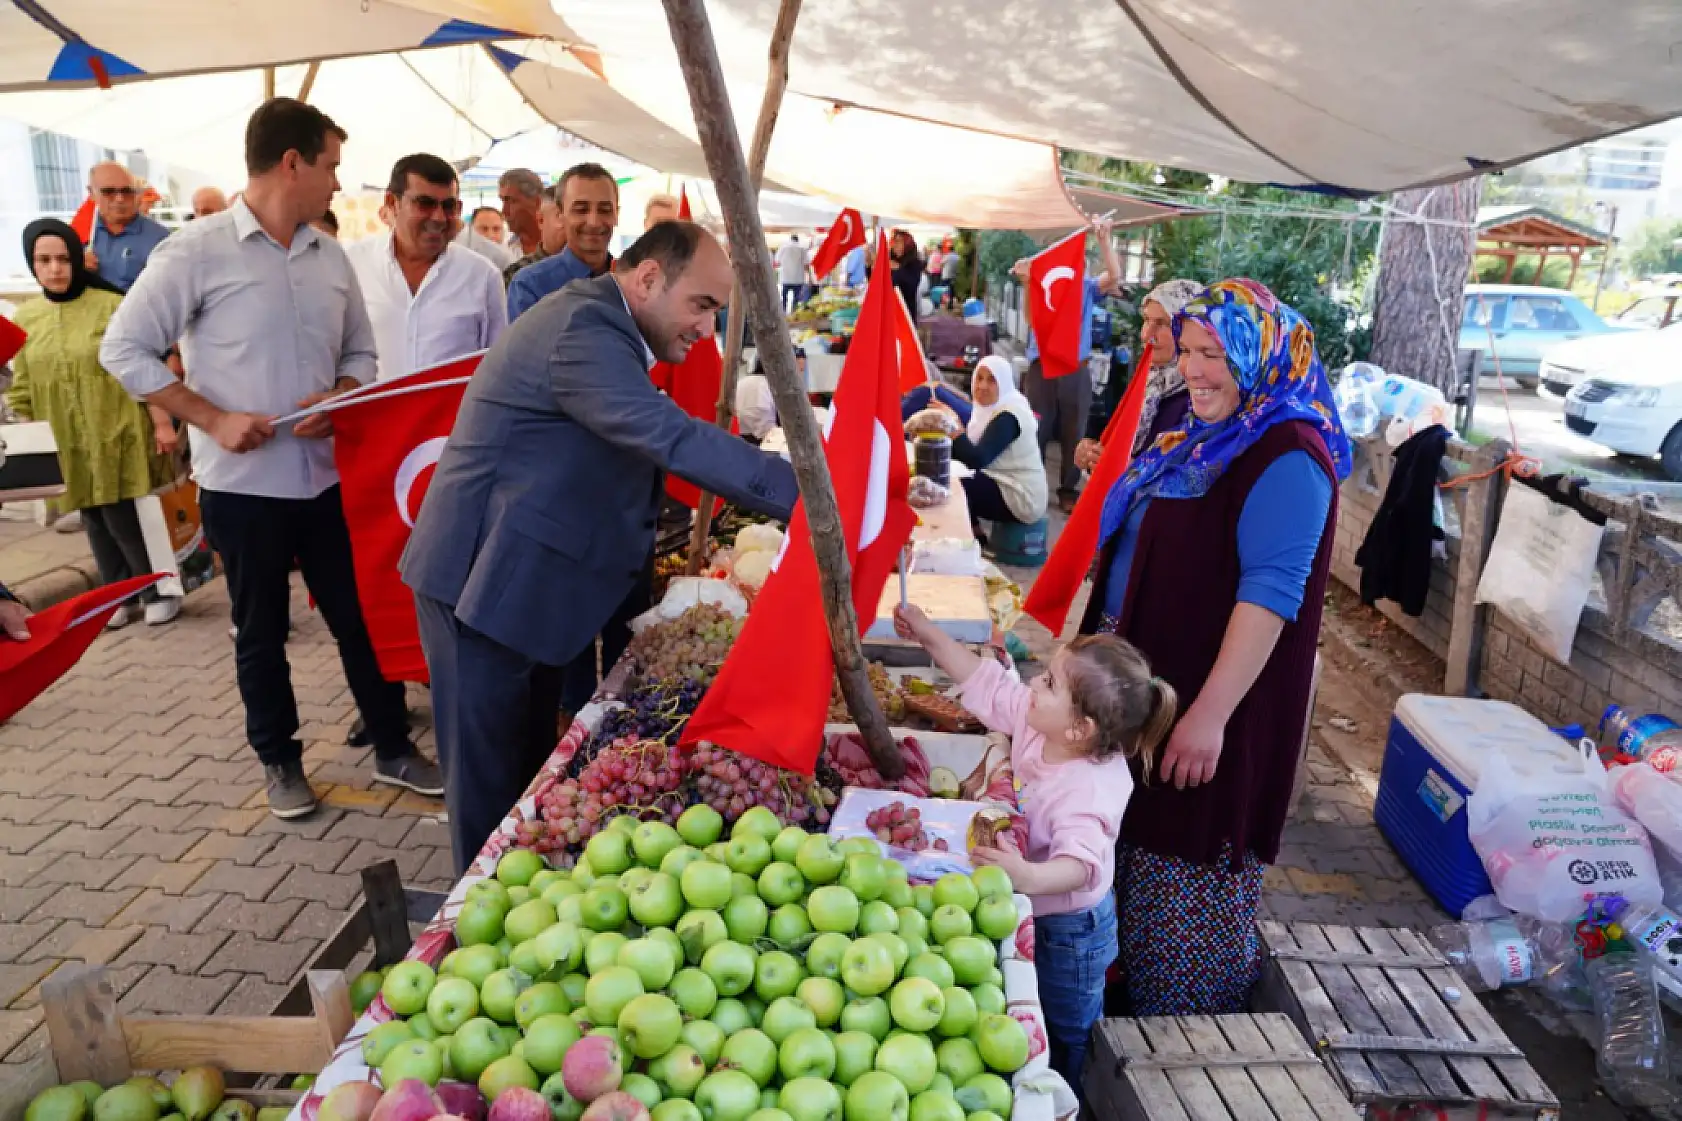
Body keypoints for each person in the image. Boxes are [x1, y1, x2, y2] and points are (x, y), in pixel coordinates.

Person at [401, 220, 800, 872]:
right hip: (480, 581)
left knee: (528, 779)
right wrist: (811, 491)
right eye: (701, 305)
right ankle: (473, 911)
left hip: (521, 583)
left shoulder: (605, 324)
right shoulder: (582, 330)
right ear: (648, 278)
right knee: (488, 789)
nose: (707, 329)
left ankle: (518, 888)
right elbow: (671, 437)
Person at [101, 97, 444, 819]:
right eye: (331, 166)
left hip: (326, 481)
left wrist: (342, 396)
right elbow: (123, 349)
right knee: (260, 632)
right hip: (243, 486)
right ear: (292, 163)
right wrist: (211, 417)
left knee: (359, 618)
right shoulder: (195, 251)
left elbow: (361, 353)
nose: (337, 182)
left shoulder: (331, 257)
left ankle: (391, 745)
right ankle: (280, 762)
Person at [1081, 279, 1350, 1016]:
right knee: (1132, 860)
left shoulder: (1287, 453)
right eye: (1190, 349)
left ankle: (1187, 1042)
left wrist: (1208, 716)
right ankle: (1124, 1031)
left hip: (1208, 705)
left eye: (1216, 354)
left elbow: (1270, 595)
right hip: (1151, 690)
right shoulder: (1206, 433)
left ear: (1263, 355)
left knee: (1184, 871)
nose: (1194, 368)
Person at [892, 600, 1175, 1099]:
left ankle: (1072, 1094)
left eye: (1048, 682)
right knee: (1030, 998)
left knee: (1068, 1022)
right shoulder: (1037, 721)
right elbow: (985, 682)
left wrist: (1028, 876)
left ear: (1079, 729)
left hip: (1071, 928)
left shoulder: (1089, 788)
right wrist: (925, 631)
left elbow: (1080, 866)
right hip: (1034, 905)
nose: (1033, 684)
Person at [9, 219, 180, 628]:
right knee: (92, 516)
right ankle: (118, 595)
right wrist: (26, 432)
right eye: (44, 260)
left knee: (123, 513)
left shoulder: (111, 306)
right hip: (65, 438)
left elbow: (144, 366)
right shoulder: (27, 318)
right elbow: (22, 383)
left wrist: (162, 422)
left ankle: (157, 590)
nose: (54, 269)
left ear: (77, 259)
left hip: (117, 429)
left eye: (63, 259)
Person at [347, 153, 507, 383]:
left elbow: (496, 370)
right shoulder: (354, 265)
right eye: (425, 204)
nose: (439, 217)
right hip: (371, 407)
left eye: (449, 206)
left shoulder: (482, 276)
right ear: (392, 203)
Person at [1016, 217, 1122, 511]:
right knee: (1036, 428)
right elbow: (1032, 319)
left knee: (1074, 431)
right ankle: (1033, 487)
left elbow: (1114, 275)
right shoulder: (1040, 284)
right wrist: (1027, 283)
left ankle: (1068, 490)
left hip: (1076, 366)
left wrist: (1104, 240)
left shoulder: (1085, 287)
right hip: (1042, 366)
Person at [1074, 278, 1203, 472]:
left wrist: (1135, 472)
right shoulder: (1145, 379)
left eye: (1162, 323)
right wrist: (1088, 449)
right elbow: (1104, 431)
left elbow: (1193, 474)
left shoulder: (1202, 400)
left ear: (1191, 331)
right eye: (1146, 320)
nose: (1147, 335)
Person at [507, 163, 619, 321]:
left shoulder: (632, 282)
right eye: (581, 210)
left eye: (604, 210)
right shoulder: (531, 285)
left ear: (616, 214)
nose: (594, 222)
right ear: (560, 214)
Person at [950, 355, 1047, 532]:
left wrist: (954, 429)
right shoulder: (989, 410)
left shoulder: (1009, 416)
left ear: (1004, 383)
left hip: (1022, 496)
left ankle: (969, 536)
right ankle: (975, 532)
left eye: (992, 380)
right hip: (1004, 480)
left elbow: (977, 459)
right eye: (979, 378)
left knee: (950, 482)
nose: (982, 386)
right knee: (948, 467)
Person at [85, 162, 170, 293]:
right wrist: (75, 269)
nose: (120, 199)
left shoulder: (160, 239)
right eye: (109, 191)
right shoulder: (79, 234)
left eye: (127, 191)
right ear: (92, 193)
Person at [503, 184, 567, 286]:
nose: (571, 224)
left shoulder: (593, 271)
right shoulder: (517, 275)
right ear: (541, 220)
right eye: (561, 217)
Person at [498, 168, 545, 257]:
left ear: (537, 202)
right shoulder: (504, 249)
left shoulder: (561, 247)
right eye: (503, 201)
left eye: (512, 201)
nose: (504, 211)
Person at [889, 230, 923, 322]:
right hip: (890, 311)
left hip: (905, 311)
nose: (895, 244)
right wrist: (869, 267)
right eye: (894, 241)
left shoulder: (914, 263)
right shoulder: (890, 259)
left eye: (899, 241)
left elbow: (911, 286)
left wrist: (898, 269)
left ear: (907, 244)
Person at [776, 234, 810, 312]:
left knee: (784, 297)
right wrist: (809, 276)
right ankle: (794, 313)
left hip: (785, 278)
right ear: (797, 240)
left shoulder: (783, 247)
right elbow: (806, 264)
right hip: (798, 278)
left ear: (790, 239)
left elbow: (777, 262)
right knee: (796, 298)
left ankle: (783, 312)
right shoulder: (802, 248)